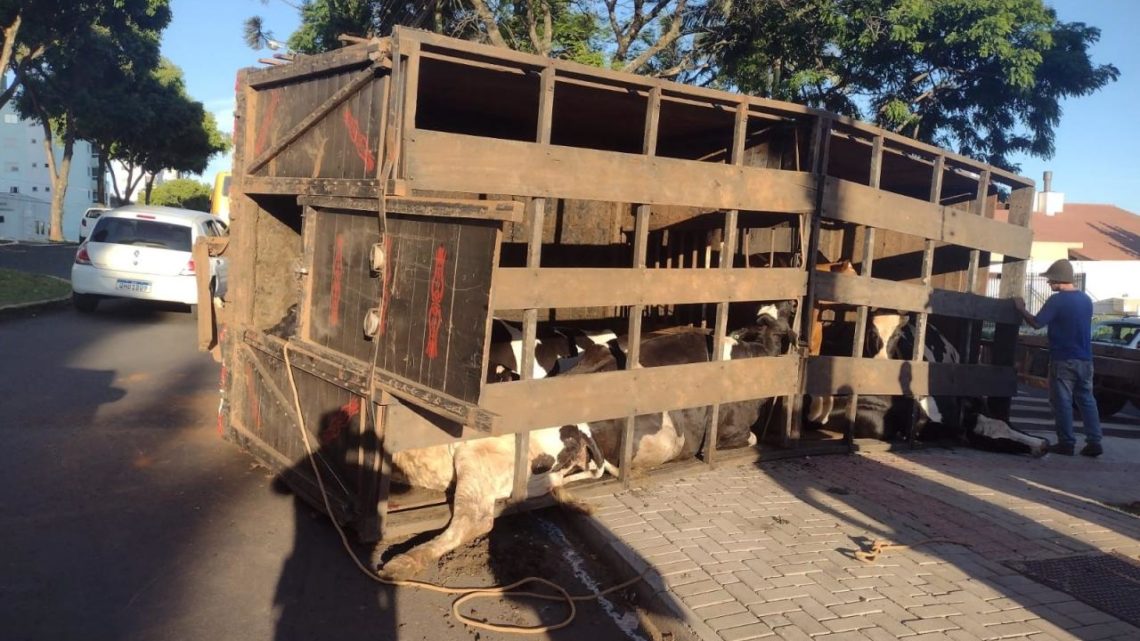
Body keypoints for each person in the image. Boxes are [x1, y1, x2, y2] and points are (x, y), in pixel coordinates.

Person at [1012, 259, 1102, 457]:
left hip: (1063, 358)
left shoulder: (1057, 300)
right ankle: (1094, 441)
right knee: (1087, 400)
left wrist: (1020, 308)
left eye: (1050, 279)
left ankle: (1066, 442)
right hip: (1085, 359)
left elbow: (1036, 323)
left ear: (1058, 279)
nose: (1048, 283)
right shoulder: (1086, 300)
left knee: (1061, 402)